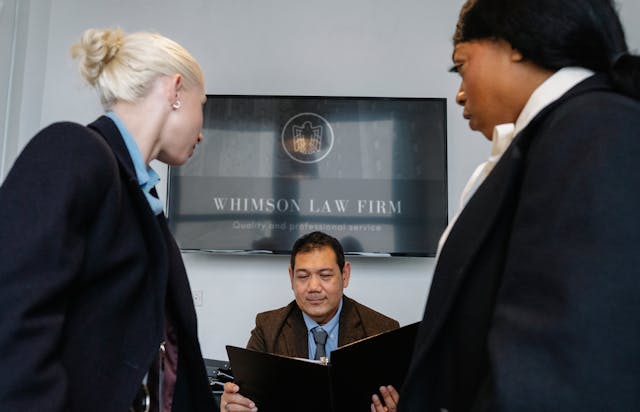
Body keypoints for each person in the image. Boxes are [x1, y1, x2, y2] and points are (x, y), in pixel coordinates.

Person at [398, 0, 640, 411]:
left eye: (461, 64)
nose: (459, 92)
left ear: (512, 44)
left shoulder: (595, 127)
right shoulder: (557, 134)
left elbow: (562, 357)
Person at [0, 28, 216, 411]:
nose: (202, 134)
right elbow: (12, 314)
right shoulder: (73, 150)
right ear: (175, 90)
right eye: (204, 104)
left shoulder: (138, 194)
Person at [220, 231, 400, 412]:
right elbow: (247, 399)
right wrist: (233, 405)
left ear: (345, 275)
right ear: (291, 277)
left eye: (325, 275)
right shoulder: (267, 329)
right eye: (303, 276)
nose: (313, 287)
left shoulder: (382, 330)